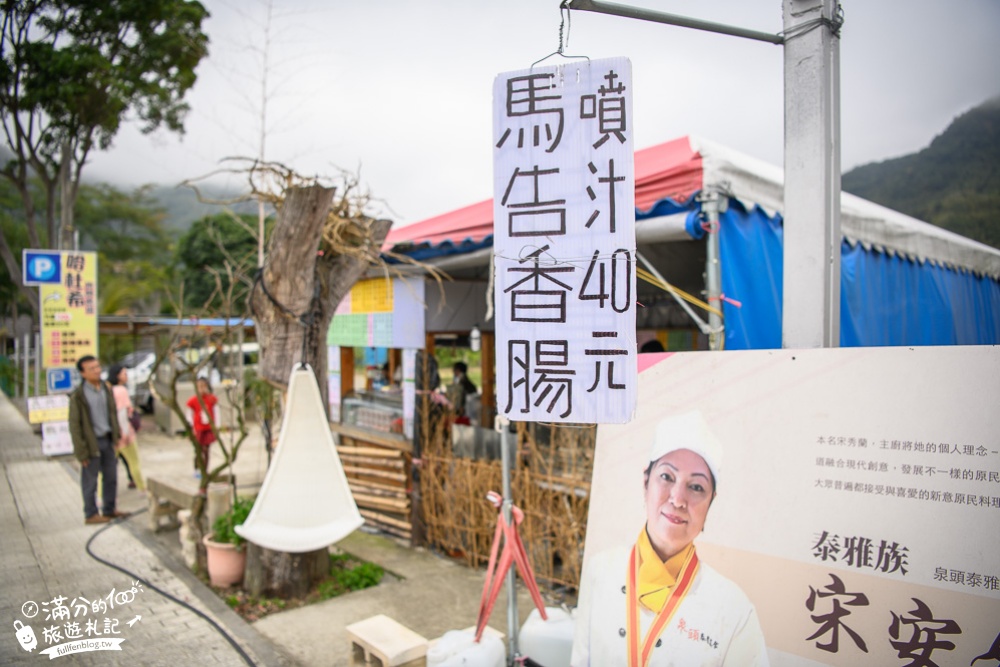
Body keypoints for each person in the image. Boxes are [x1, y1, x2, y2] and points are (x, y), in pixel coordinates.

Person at [572, 411, 769, 666]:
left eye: (696, 487)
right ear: (646, 482)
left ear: (711, 502)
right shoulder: (600, 571)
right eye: (667, 477)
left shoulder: (735, 611)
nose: (677, 499)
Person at [69, 355, 128, 524]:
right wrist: (81, 451)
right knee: (90, 480)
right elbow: (75, 425)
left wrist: (116, 435)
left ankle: (109, 509)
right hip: (90, 443)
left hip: (108, 439)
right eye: (92, 368)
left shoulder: (105, 389)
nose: (97, 371)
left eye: (97, 367)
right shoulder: (78, 396)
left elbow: (112, 413)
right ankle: (90, 513)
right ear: (82, 373)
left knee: (111, 477)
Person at [108, 363, 145, 491]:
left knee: (109, 466)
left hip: (111, 434)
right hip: (123, 433)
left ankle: (102, 494)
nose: (127, 376)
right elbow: (121, 413)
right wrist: (126, 434)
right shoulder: (121, 390)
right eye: (124, 373)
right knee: (134, 462)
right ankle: (142, 489)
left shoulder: (109, 390)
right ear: (117, 376)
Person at [186, 376, 219, 476]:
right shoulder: (193, 400)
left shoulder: (211, 399)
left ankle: (205, 470)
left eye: (203, 386)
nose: (201, 389)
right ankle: (197, 469)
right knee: (198, 449)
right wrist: (192, 425)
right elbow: (188, 413)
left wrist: (217, 426)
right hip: (198, 428)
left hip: (208, 428)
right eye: (199, 387)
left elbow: (216, 412)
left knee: (206, 449)